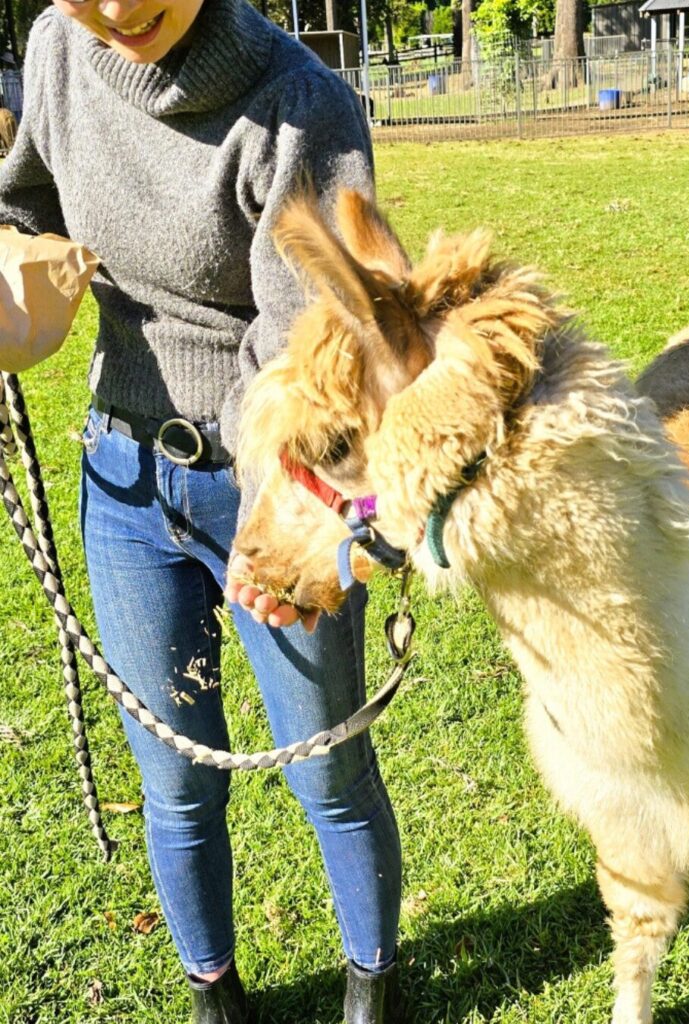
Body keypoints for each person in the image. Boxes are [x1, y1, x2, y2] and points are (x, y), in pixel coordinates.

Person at [0, 1, 404, 1022]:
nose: (121, 10)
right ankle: (213, 998)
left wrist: (271, 513)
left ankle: (371, 986)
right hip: (125, 478)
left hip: (276, 479)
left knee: (326, 767)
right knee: (177, 783)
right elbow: (24, 202)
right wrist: (16, 277)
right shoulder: (57, 52)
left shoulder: (297, 105)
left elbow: (303, 337)